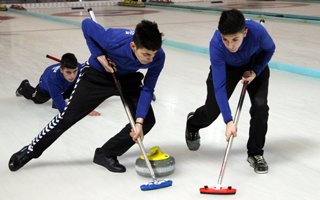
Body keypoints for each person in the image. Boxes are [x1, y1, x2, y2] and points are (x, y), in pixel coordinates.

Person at [9, 18, 165, 173]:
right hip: (97, 75)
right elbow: (86, 24)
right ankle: (31, 150)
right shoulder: (112, 40)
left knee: (147, 120)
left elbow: (148, 88)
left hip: (127, 78)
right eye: (146, 55)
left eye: (153, 54)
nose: (150, 60)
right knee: (67, 117)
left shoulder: (158, 56)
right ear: (133, 45)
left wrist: (138, 123)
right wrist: (99, 55)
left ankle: (106, 153)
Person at [185, 9, 275, 174]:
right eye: (225, 40)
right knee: (212, 110)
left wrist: (255, 71)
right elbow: (219, 87)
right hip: (227, 68)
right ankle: (193, 123)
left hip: (254, 65)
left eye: (235, 39)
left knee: (260, 106)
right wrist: (229, 121)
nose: (230, 45)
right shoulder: (216, 45)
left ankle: (255, 153)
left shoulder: (258, 32)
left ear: (245, 32)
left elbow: (270, 49)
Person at [15, 53, 100, 116]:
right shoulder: (52, 80)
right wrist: (85, 110)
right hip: (46, 88)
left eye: (75, 71)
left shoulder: (79, 68)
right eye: (68, 72)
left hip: (64, 85)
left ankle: (58, 99)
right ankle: (24, 87)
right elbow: (63, 109)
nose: (72, 76)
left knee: (79, 82)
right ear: (61, 70)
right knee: (38, 100)